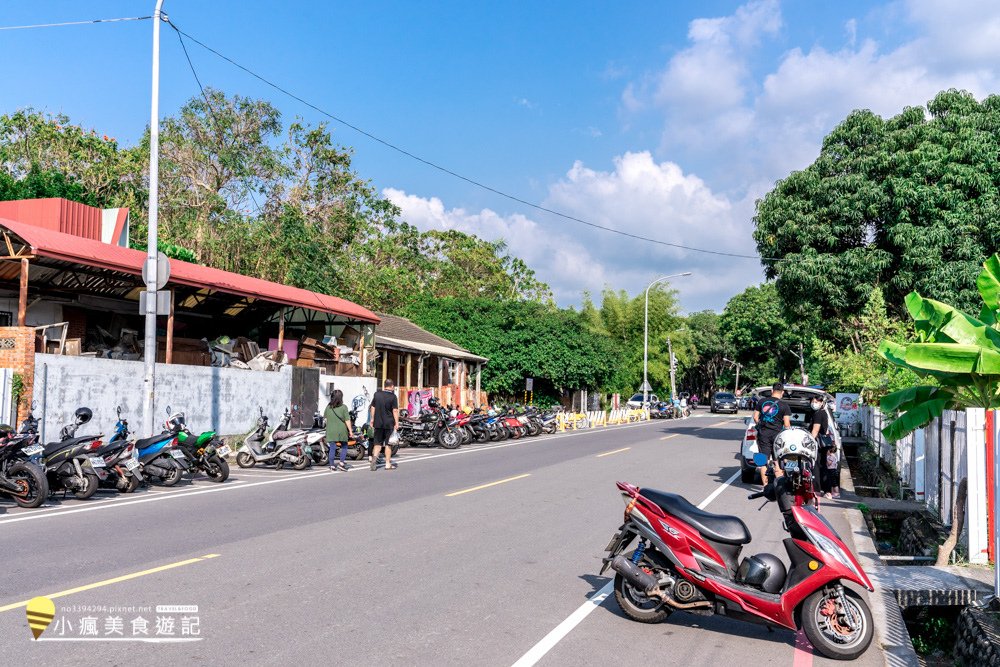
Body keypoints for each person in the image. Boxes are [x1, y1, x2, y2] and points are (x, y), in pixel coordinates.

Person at [753, 382, 791, 486]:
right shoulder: (784, 405)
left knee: (763, 461)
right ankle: (779, 486)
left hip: (763, 434)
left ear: (771, 391)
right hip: (777, 436)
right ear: (782, 392)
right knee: (777, 461)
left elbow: (755, 417)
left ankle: (765, 487)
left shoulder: (762, 401)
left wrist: (761, 425)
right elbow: (787, 424)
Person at [811, 397, 840, 498]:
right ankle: (827, 491)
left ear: (821, 403)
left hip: (817, 444)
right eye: (813, 402)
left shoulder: (818, 414)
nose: (814, 404)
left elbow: (815, 430)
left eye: (816, 402)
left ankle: (818, 490)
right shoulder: (824, 413)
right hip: (823, 445)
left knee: (817, 467)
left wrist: (809, 442)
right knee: (823, 466)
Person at [369, 379, 399, 471]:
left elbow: (373, 407)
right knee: (388, 444)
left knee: (377, 443)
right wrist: (397, 423)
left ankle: (374, 459)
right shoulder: (393, 397)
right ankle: (387, 464)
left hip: (378, 422)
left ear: (384, 386)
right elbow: (395, 410)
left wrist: (372, 419)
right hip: (389, 423)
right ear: (392, 386)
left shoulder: (377, 395)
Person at [324, 389, 353, 472]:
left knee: (332, 448)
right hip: (341, 430)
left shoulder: (328, 407)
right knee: (344, 446)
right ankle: (341, 463)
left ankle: (332, 466)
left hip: (330, 430)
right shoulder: (344, 407)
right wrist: (350, 431)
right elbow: (347, 420)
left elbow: (325, 418)